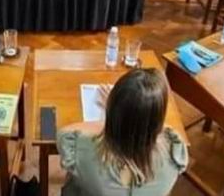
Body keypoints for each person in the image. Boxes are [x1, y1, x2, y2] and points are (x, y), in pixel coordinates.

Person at [56, 68, 188, 195]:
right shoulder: (174, 154)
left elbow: (64, 133)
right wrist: (139, 115)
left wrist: (115, 114)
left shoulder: (83, 152)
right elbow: (162, 128)